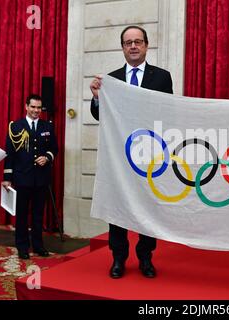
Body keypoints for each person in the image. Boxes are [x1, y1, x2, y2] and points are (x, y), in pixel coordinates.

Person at [89, 25, 173, 279]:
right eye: (128, 43)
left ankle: (145, 258)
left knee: (148, 207)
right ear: (123, 47)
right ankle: (118, 259)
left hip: (150, 156)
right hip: (119, 159)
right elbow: (98, 115)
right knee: (118, 210)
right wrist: (96, 98)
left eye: (138, 41)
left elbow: (169, 112)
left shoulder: (162, 77)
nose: (133, 46)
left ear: (147, 45)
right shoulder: (111, 80)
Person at [1, 94, 58, 260]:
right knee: (22, 215)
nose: (36, 110)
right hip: (22, 177)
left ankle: (39, 245)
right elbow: (9, 154)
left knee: (38, 214)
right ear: (26, 107)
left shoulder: (47, 126)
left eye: (39, 108)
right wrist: (7, 177)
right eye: (33, 107)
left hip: (41, 179)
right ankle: (22, 246)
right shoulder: (16, 126)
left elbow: (55, 148)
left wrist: (47, 157)